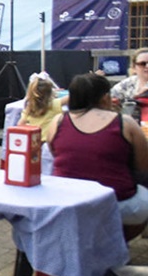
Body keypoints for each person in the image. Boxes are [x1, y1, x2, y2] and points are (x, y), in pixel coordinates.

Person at [46, 72, 148, 241]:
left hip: (66, 200)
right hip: (117, 201)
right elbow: (143, 166)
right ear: (105, 97)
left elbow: (55, 153)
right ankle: (114, 244)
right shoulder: (125, 122)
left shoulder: (57, 122)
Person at [18, 73, 63, 137]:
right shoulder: (55, 104)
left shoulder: (29, 107)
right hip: (51, 141)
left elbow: (20, 125)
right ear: (51, 92)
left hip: (35, 141)